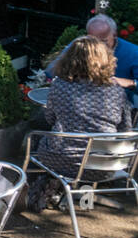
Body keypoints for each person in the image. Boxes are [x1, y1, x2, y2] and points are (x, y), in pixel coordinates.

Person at [30, 36, 134, 205]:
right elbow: (126, 129)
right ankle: (84, 198)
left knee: (37, 139)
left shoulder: (60, 86)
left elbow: (50, 119)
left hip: (64, 161)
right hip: (105, 166)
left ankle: (47, 189)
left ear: (70, 59)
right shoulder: (117, 91)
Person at [49, 14, 138, 104]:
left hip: (113, 105)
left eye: (103, 41)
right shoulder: (81, 46)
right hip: (77, 100)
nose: (98, 46)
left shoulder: (134, 53)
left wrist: (130, 83)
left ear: (114, 35)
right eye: (93, 41)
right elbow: (52, 71)